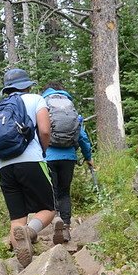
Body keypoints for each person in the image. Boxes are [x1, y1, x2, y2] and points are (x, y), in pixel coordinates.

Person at [0, 68, 55, 267]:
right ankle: (30, 231)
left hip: (4, 166)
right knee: (48, 209)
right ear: (27, 85)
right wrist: (42, 151)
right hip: (31, 160)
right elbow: (44, 130)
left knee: (17, 218)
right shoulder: (36, 99)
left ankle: (22, 269)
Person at [41, 82, 94, 244]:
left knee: (52, 192)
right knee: (64, 192)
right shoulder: (69, 107)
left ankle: (55, 220)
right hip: (68, 158)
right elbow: (82, 136)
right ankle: (65, 227)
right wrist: (88, 157)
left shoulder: (44, 104)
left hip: (48, 156)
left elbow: (40, 131)